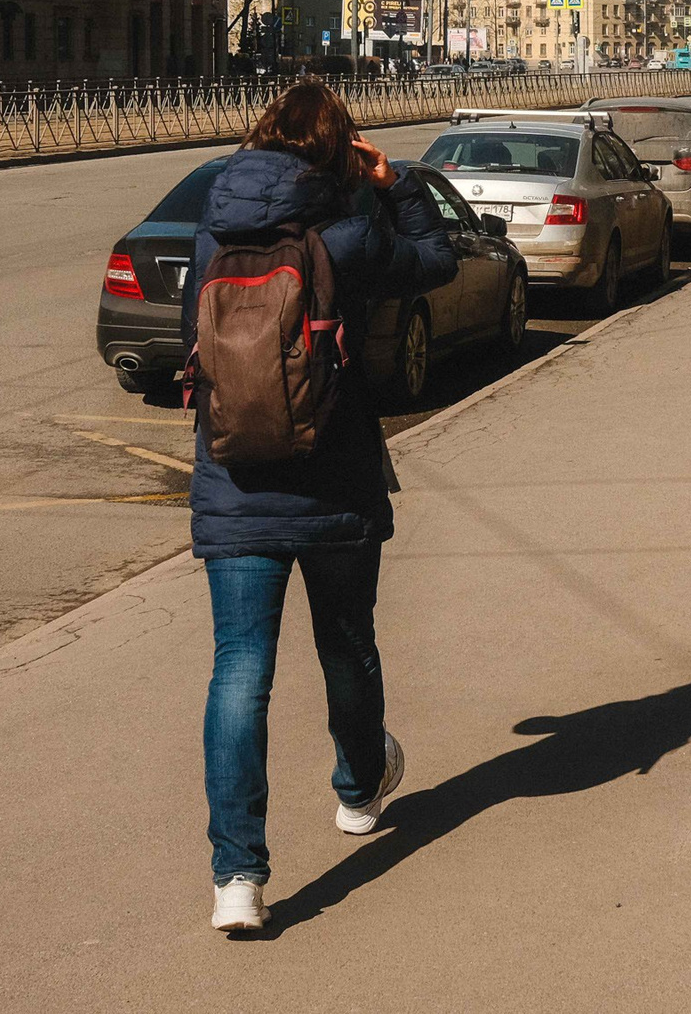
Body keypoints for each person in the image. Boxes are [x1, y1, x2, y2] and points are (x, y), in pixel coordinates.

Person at [184, 78, 459, 933]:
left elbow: (184, 343)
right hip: (334, 479)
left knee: (240, 669)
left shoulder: (212, 230)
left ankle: (237, 876)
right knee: (345, 642)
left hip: (235, 480)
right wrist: (396, 184)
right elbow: (438, 260)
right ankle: (358, 786)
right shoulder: (350, 233)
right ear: (341, 148)